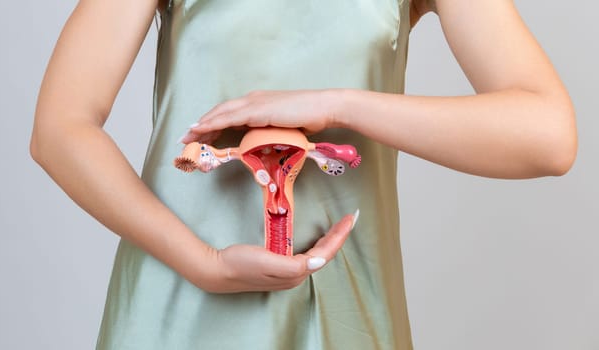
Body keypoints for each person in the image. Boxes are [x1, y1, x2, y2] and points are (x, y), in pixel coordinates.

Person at [30, 0, 577, 348]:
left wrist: (337, 106)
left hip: (345, 314)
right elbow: (60, 129)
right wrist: (204, 264)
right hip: (173, 310)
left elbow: (548, 136)